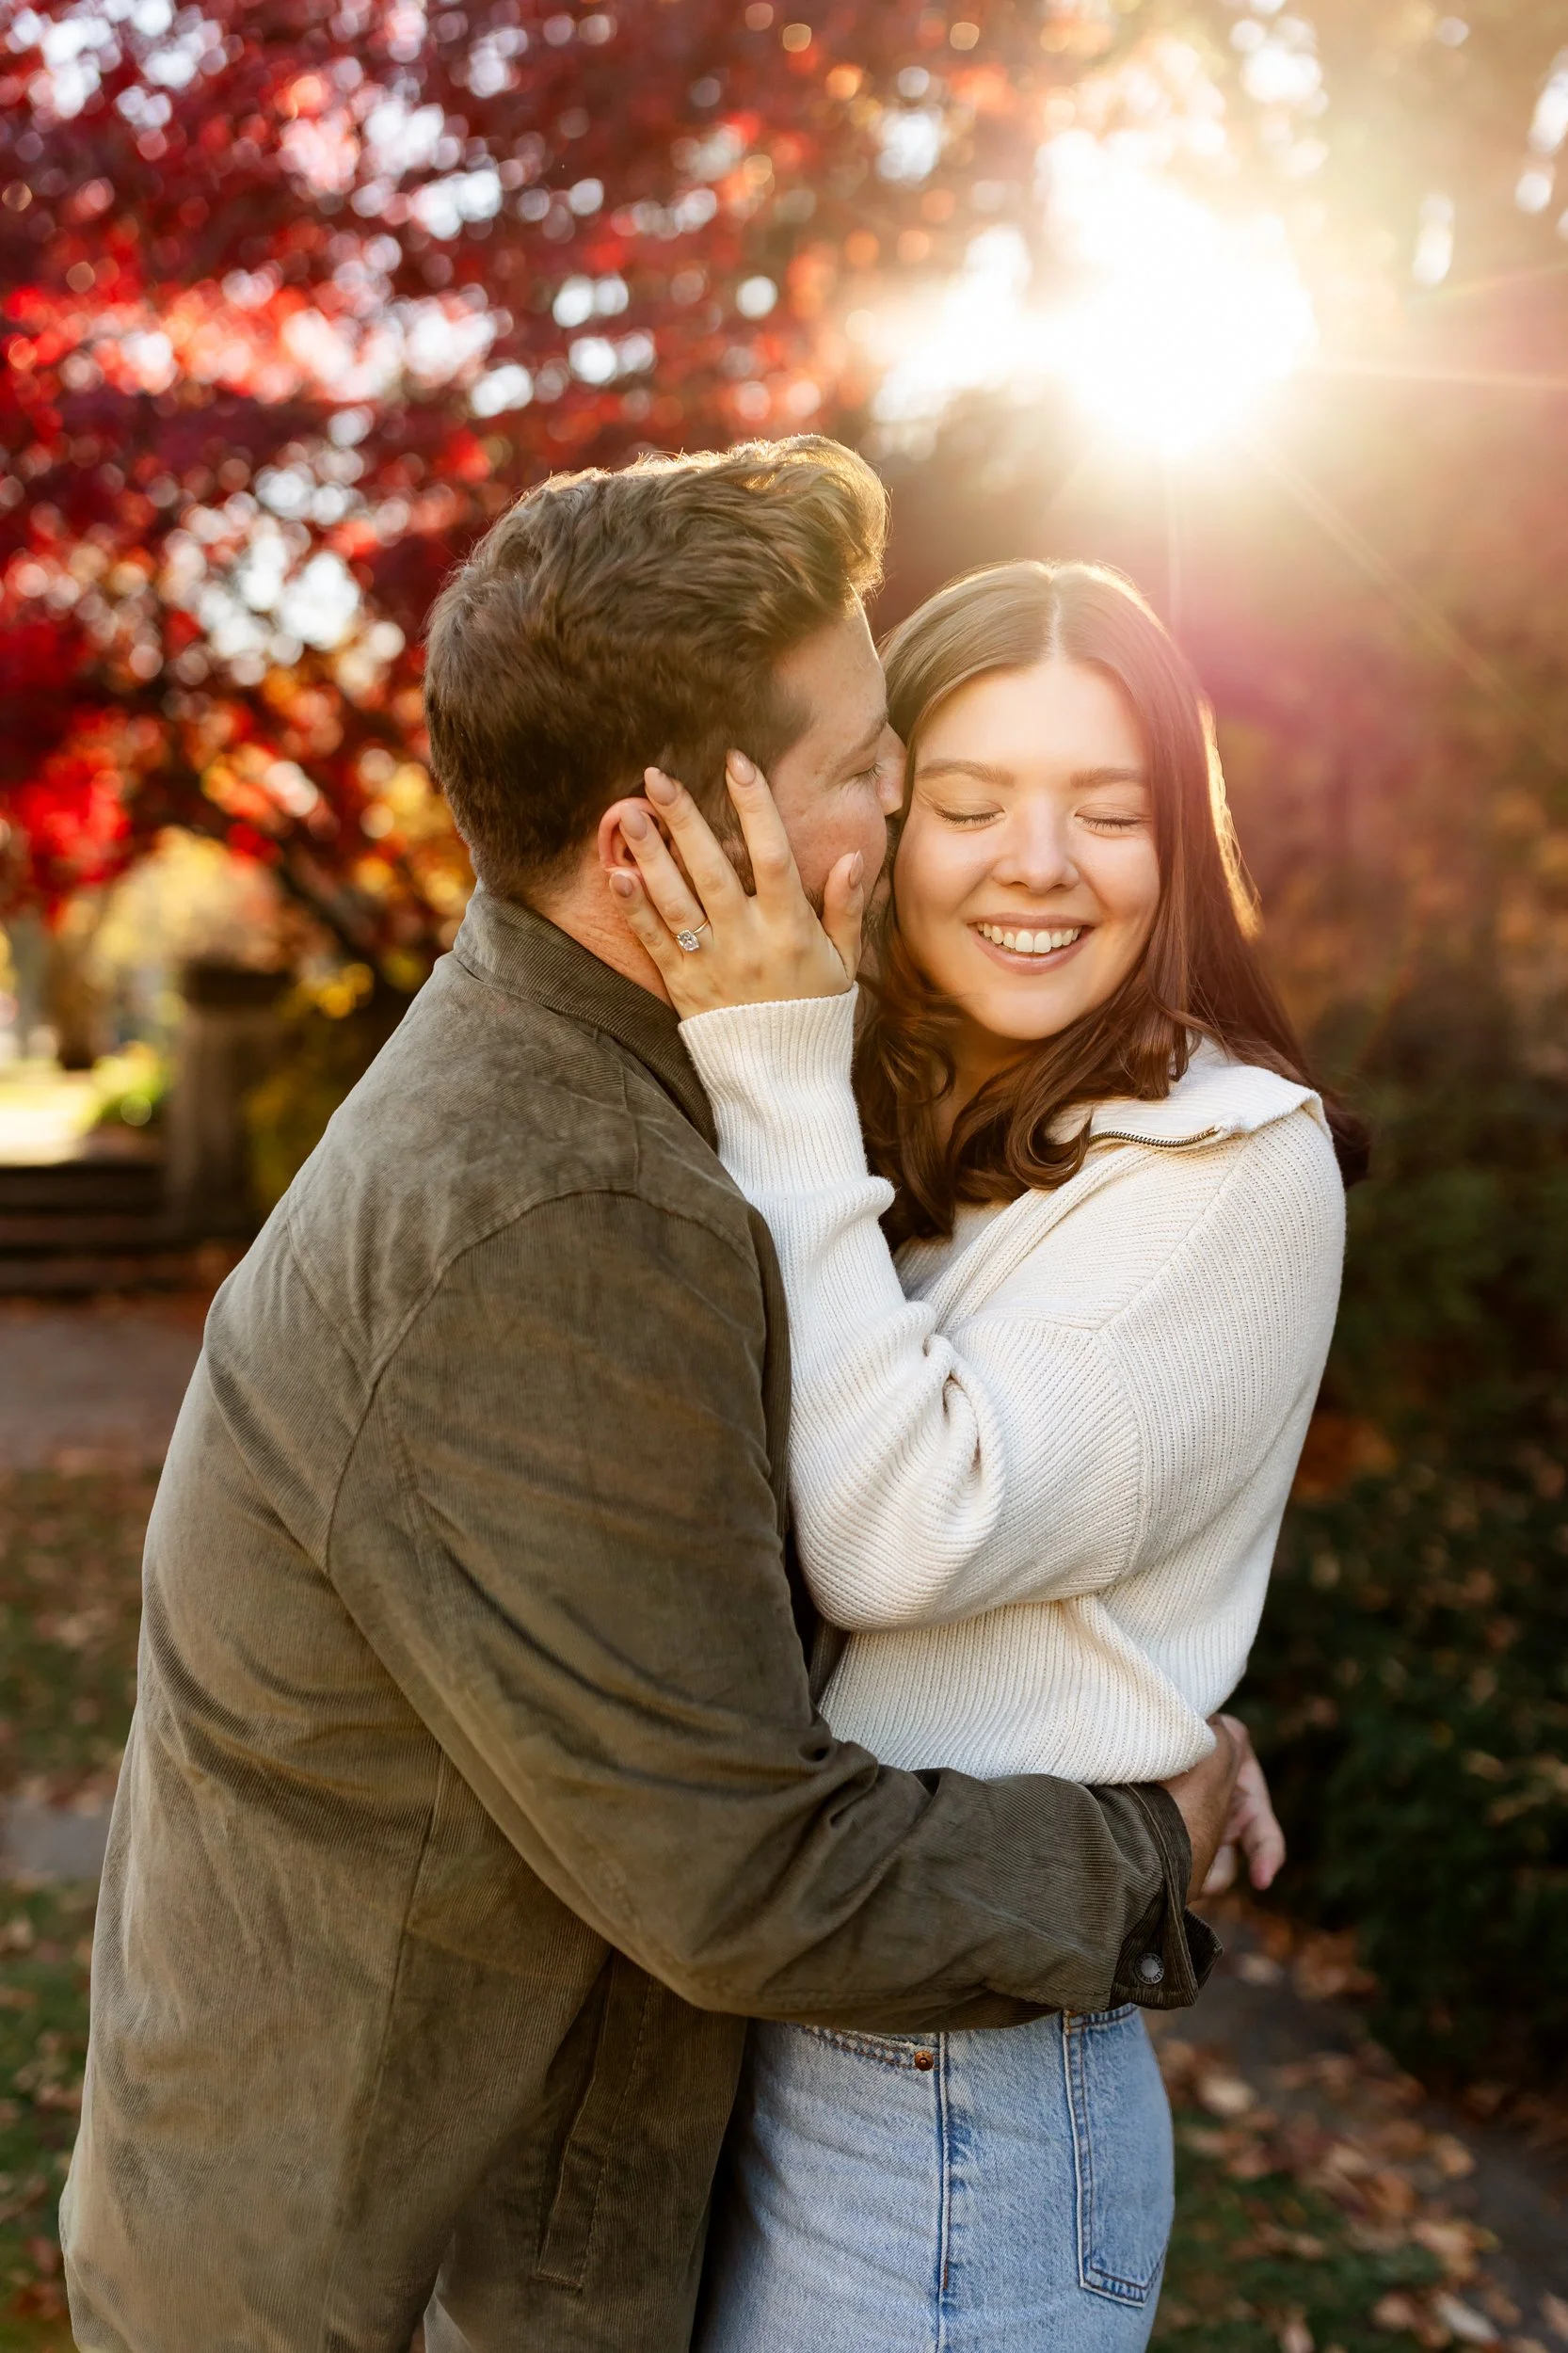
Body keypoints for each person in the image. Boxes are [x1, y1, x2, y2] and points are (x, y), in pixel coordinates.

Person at [62, 451, 1241, 2353]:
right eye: (867, 760)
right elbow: (734, 1869)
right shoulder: (563, 1207)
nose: (905, 798)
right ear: (656, 854)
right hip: (365, 2286)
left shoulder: (608, 1088)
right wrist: (1141, 1848)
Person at [607, 554, 1355, 2352]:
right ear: (881, 820)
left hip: (959, 2084)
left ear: (1177, 847)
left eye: (1108, 810)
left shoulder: (1229, 1161)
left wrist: (774, 1074)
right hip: (785, 1983)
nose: (1037, 863)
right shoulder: (899, 1129)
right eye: (968, 802)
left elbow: (887, 1534)